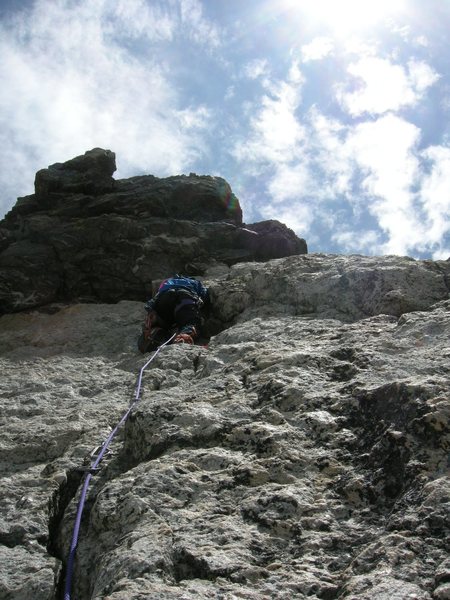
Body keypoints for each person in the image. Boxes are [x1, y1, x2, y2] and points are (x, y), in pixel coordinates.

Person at [137, 275, 209, 353]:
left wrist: (151, 310)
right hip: (184, 297)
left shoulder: (166, 283)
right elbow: (204, 294)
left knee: (159, 320)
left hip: (164, 299)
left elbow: (155, 298)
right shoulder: (194, 282)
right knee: (190, 322)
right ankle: (184, 336)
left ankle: (152, 331)